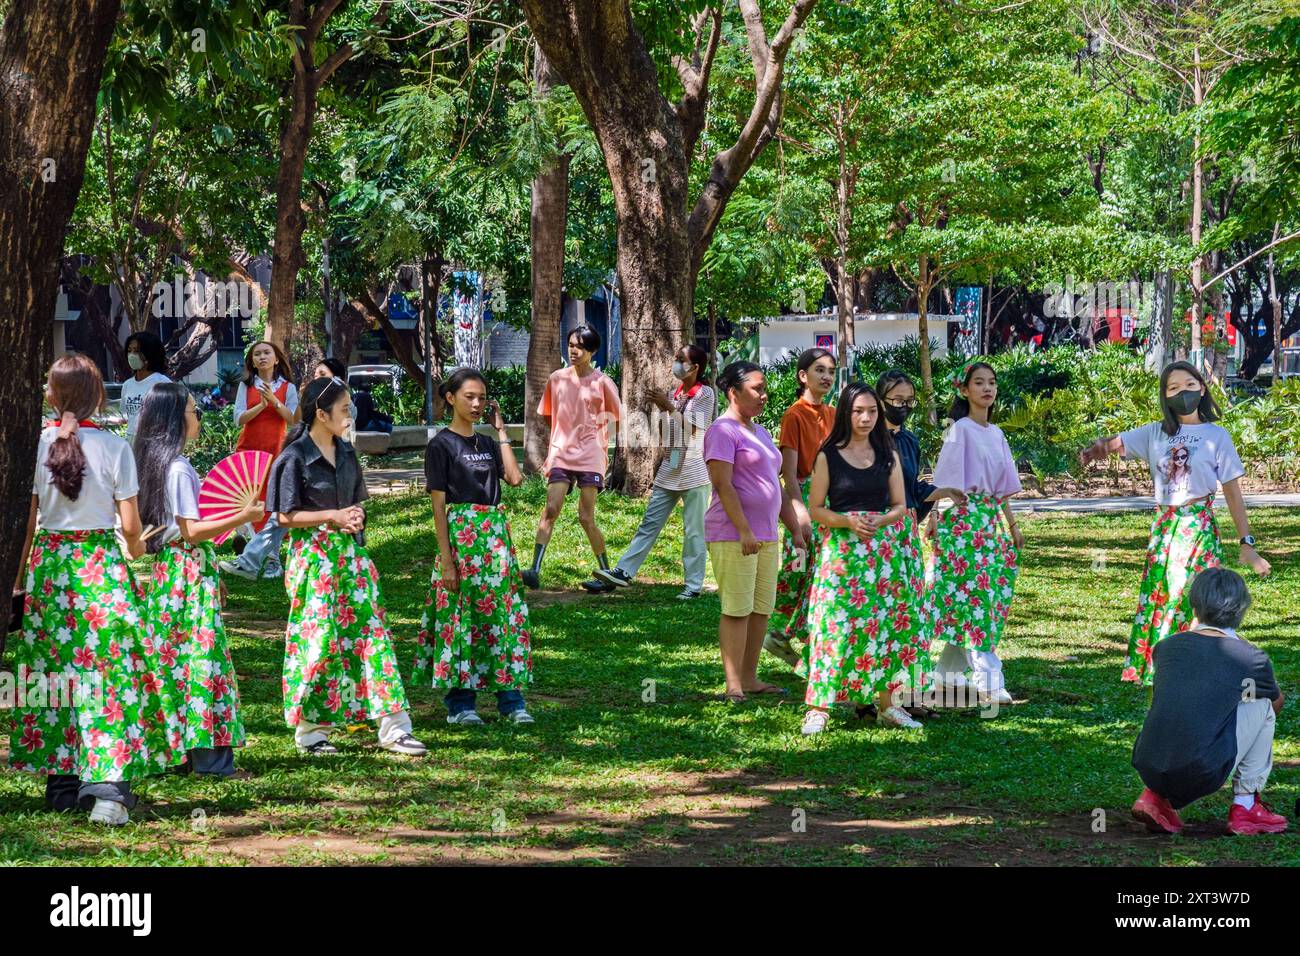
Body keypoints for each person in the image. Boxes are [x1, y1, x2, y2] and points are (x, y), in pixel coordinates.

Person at [9, 356, 184, 825]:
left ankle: (62, 784)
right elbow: (130, 526)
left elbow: (27, 524)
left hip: (51, 572)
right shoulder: (114, 447)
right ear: (96, 396)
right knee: (108, 677)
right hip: (100, 569)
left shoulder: (37, 445)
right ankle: (108, 789)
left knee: (54, 678)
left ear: (52, 395)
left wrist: (20, 579)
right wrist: (137, 549)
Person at [1078, 361, 1270, 685]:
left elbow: (1234, 494)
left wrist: (1247, 545)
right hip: (1165, 530)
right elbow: (1116, 442)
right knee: (1164, 596)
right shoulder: (1156, 432)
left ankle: (1199, 667)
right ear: (1165, 397)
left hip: (1199, 528)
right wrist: (1096, 449)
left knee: (1198, 598)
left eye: (1189, 385)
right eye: (1173, 388)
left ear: (1203, 388)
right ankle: (1167, 669)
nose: (1183, 392)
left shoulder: (1216, 436)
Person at [266, 376, 426, 756]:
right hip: (313, 561)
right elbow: (284, 517)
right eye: (343, 409)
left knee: (373, 637)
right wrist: (332, 516)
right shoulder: (293, 458)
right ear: (321, 414)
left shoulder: (348, 452)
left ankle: (394, 727)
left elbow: (357, 504)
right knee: (319, 641)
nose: (350, 414)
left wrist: (354, 518)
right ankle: (312, 732)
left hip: (352, 557)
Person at [134, 383, 260, 776]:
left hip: (171, 576)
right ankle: (212, 760)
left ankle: (175, 752)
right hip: (188, 574)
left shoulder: (156, 465)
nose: (199, 417)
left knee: (173, 664)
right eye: (193, 410)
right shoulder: (179, 468)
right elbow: (192, 531)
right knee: (204, 662)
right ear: (175, 420)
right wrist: (244, 516)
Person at [800, 383, 929, 735]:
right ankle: (819, 707)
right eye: (858, 411)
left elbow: (900, 506)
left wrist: (881, 520)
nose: (866, 417)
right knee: (834, 626)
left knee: (886, 627)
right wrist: (848, 521)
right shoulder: (829, 455)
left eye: (872, 411)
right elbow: (816, 509)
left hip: (881, 556)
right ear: (845, 412)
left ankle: (888, 706)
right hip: (841, 555)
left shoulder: (888, 455)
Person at [412, 369, 535, 725]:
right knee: (460, 619)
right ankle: (460, 705)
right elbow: (438, 506)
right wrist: (447, 561)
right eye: (469, 397)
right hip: (461, 537)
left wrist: (501, 432)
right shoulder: (440, 445)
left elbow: (514, 478)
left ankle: (512, 702)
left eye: (482, 397)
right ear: (450, 398)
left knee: (502, 619)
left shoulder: (487, 441)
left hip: (495, 539)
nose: (477, 403)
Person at [1130, 568, 1287, 835]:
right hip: (1202, 768)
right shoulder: (1249, 657)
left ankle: (1155, 796)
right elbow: (1276, 703)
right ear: (1243, 608)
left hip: (1148, 763)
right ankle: (1246, 805)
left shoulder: (1166, 647)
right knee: (1262, 705)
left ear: (1194, 607)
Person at [704, 362, 807, 702]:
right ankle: (733, 684)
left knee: (761, 608)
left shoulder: (760, 432)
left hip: (766, 535)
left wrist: (793, 528)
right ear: (733, 392)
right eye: (756, 390)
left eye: (765, 390)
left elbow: (772, 486)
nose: (764, 396)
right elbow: (723, 485)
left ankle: (750, 678)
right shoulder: (722, 431)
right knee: (737, 609)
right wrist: (744, 530)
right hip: (734, 534)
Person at [924, 361, 1024, 705]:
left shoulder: (996, 434)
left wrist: (1012, 526)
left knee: (978, 599)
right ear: (964, 390)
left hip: (989, 525)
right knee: (975, 601)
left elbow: (1002, 491)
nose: (987, 389)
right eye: (979, 383)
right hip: (962, 525)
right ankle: (989, 680)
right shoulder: (960, 429)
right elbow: (944, 479)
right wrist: (934, 516)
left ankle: (946, 677)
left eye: (992, 383)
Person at [585, 344, 716, 599]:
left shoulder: (704, 394)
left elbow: (692, 430)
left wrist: (668, 407)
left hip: (695, 470)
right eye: (676, 357)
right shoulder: (674, 393)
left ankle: (692, 586)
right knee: (649, 523)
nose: (676, 362)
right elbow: (669, 431)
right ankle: (622, 571)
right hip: (671, 467)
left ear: (695, 367)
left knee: (693, 530)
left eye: (681, 359)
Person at [520, 326, 623, 589]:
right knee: (551, 509)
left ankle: (606, 573)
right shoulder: (556, 379)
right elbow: (547, 413)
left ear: (592, 351)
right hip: (562, 455)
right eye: (570, 345)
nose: (573, 350)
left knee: (586, 517)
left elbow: (617, 420)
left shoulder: (603, 382)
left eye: (580, 346)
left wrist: (596, 440)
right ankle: (533, 569)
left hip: (590, 457)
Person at [763, 348, 837, 670]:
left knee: (821, 573)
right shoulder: (794, 414)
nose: (826, 377)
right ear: (802, 376)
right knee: (797, 568)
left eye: (831, 371)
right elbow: (790, 474)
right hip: (804, 497)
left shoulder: (835, 414)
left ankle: (804, 640)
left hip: (832, 499)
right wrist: (799, 512)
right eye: (819, 370)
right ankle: (779, 631)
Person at [220, 341, 299, 581]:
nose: (262, 357)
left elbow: (294, 420)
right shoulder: (246, 386)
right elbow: (238, 419)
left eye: (267, 353)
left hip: (276, 453)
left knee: (271, 504)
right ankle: (254, 549)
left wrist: (274, 401)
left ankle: (272, 560)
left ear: (276, 359)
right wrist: (261, 405)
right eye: (257, 354)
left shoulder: (288, 387)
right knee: (245, 502)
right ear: (252, 362)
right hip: (248, 453)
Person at [120, 330, 171, 443]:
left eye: (137, 351)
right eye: (129, 351)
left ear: (150, 354)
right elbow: (125, 414)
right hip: (131, 440)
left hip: (153, 442)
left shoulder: (163, 384)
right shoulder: (127, 385)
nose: (132, 355)